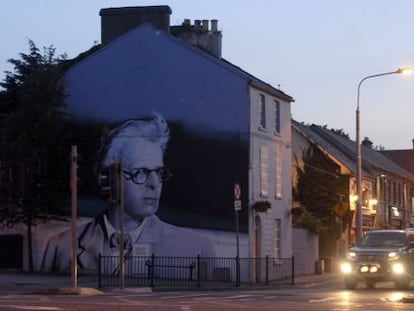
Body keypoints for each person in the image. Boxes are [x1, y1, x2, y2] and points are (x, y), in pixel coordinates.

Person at [41, 113, 215, 273]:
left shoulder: (196, 248)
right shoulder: (60, 247)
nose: (154, 184)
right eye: (141, 172)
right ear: (108, 177)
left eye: (159, 173)